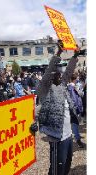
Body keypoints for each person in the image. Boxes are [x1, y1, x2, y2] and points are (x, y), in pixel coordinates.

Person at [31, 41, 80, 175]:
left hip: (68, 135)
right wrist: (58, 53)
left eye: (60, 72)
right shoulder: (45, 88)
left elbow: (69, 71)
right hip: (57, 136)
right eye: (56, 72)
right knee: (56, 170)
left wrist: (75, 56)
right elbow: (47, 74)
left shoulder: (62, 85)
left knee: (66, 166)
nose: (60, 74)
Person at [68, 74, 84, 148]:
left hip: (75, 109)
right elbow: (73, 100)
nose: (78, 80)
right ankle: (77, 140)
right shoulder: (70, 88)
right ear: (74, 79)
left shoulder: (74, 87)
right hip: (74, 109)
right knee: (75, 124)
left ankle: (76, 137)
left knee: (75, 124)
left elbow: (79, 97)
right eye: (77, 79)